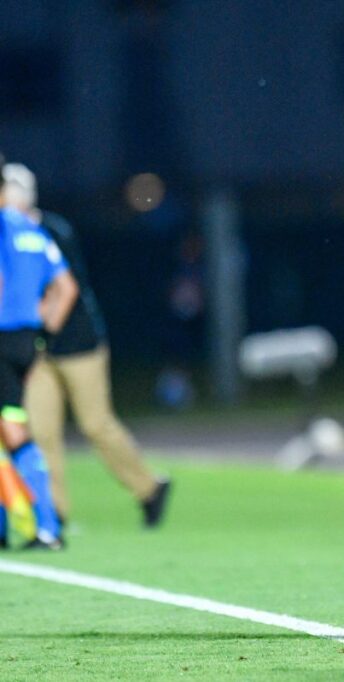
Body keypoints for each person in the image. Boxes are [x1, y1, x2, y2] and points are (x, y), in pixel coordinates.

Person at [2, 163, 171, 528]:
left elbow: (63, 291)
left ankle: (149, 487)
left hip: (77, 344)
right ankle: (53, 514)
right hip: (36, 349)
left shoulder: (51, 231)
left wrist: (35, 332)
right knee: (41, 431)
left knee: (96, 424)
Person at [0, 160, 79, 549]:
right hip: (27, 341)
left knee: (12, 431)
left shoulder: (4, 227)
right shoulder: (35, 232)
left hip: (1, 339)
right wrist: (42, 336)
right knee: (10, 423)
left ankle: (46, 525)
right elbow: (66, 289)